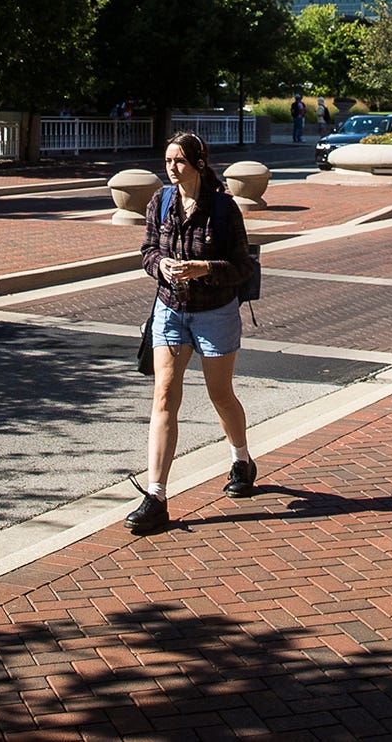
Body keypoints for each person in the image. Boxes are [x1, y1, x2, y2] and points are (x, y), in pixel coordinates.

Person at [128, 131, 259, 534]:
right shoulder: (160, 201)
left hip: (214, 313)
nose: (172, 167)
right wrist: (161, 266)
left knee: (220, 394)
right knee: (165, 395)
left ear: (198, 164)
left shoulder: (223, 208)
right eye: (168, 160)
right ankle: (156, 496)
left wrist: (205, 269)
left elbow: (242, 267)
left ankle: (241, 460)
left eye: (179, 161)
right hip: (170, 310)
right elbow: (148, 250)